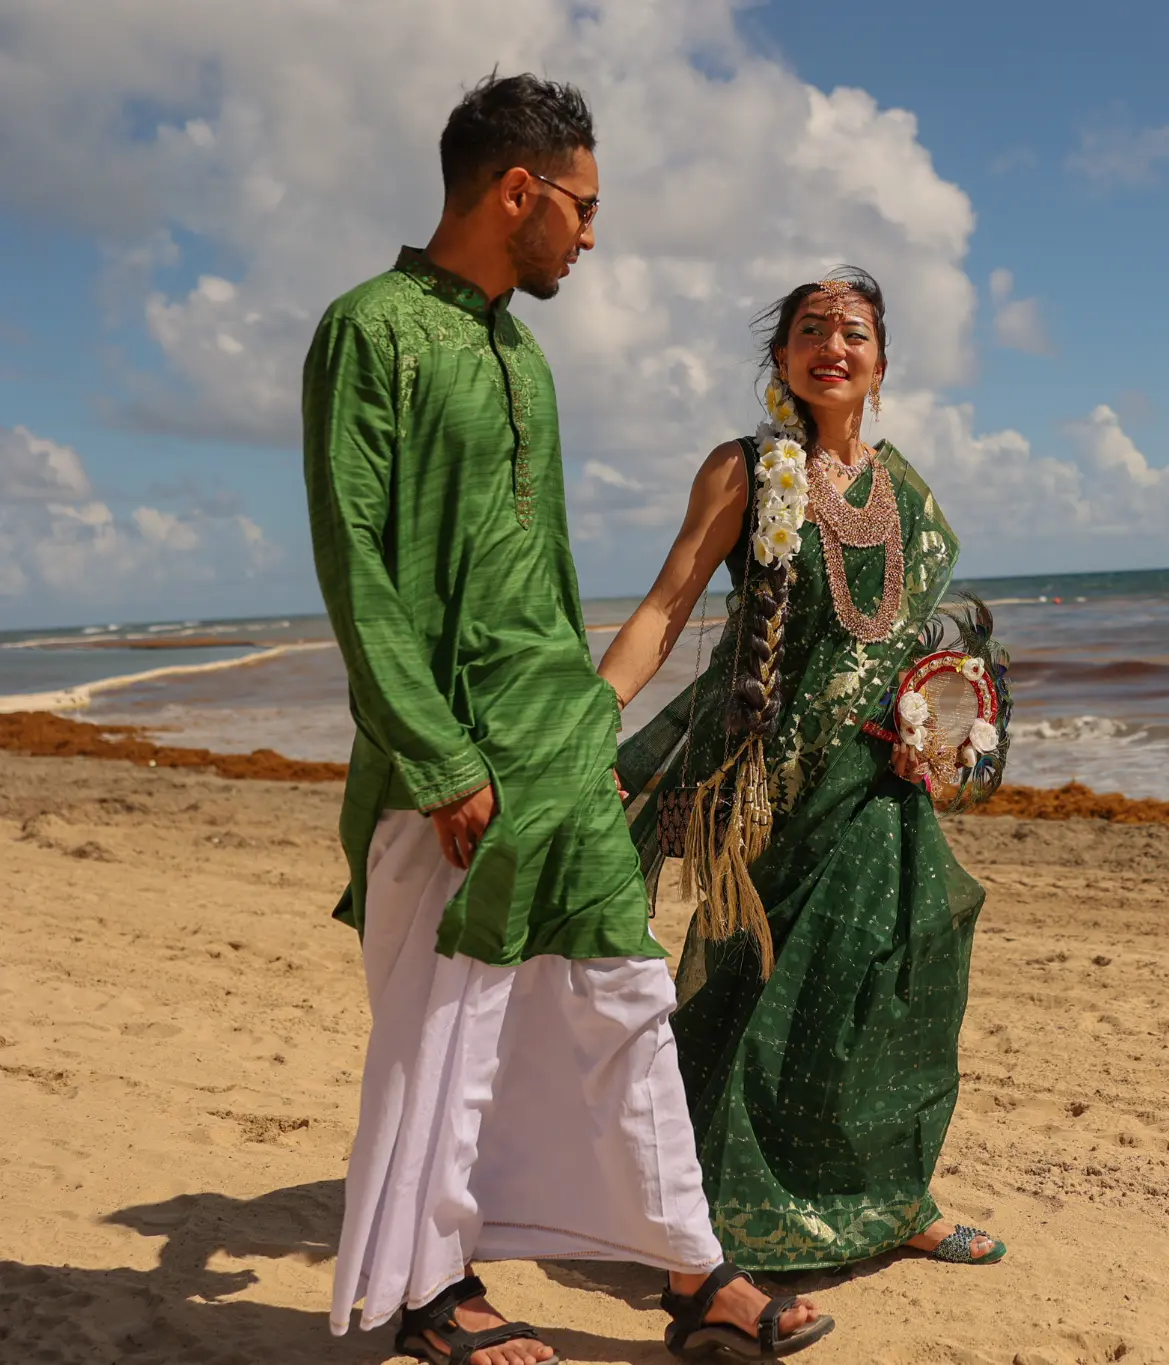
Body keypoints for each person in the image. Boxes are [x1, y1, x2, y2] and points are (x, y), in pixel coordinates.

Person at [303, 72, 832, 1364]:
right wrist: (433, 754)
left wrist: (587, 733)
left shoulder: (523, 360)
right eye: (581, 209)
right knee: (451, 1025)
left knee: (622, 997)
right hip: (454, 757)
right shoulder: (368, 332)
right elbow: (354, 565)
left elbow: (542, 579)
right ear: (517, 190)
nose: (591, 237)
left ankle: (693, 1270)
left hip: (557, 744)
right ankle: (432, 1294)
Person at [605, 270, 1005, 1274]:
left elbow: (907, 631)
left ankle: (894, 1198)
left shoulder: (905, 489)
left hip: (881, 783)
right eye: (810, 330)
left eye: (854, 331)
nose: (833, 345)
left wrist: (942, 712)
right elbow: (665, 607)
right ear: (780, 358)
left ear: (881, 361)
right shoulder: (746, 471)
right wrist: (588, 716)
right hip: (771, 792)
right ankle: (705, 1217)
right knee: (756, 990)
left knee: (898, 988)